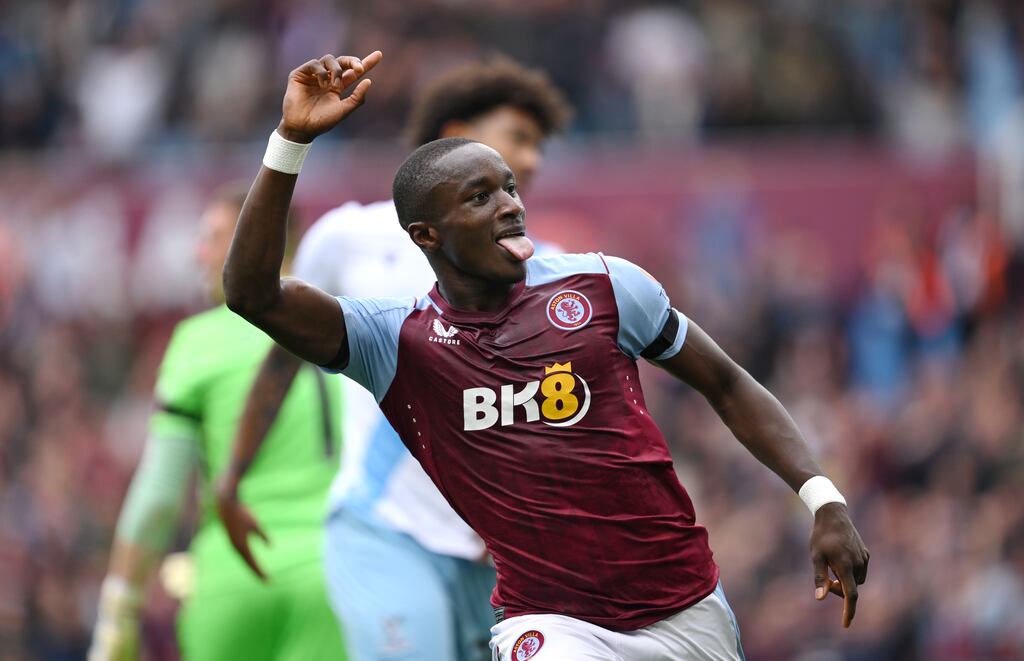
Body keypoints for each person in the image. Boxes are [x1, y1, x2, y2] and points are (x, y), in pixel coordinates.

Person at [223, 52, 869, 660]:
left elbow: (727, 384)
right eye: (480, 198)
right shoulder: (395, 338)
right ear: (427, 234)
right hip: (548, 622)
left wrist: (824, 500)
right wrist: (290, 140)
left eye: (508, 188)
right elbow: (252, 294)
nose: (510, 205)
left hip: (684, 607)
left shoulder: (605, 287)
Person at [216, 56, 571, 660]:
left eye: (537, 148)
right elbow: (279, 358)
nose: (531, 161)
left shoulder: (551, 272)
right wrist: (231, 479)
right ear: (456, 131)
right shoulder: (352, 238)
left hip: (502, 554)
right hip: (384, 531)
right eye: (518, 138)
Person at [89, 187, 348, 661]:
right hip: (338, 575)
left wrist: (119, 608)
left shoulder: (200, 341)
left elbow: (159, 494)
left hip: (234, 575)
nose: (199, 253)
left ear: (256, 238)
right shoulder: (348, 324)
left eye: (213, 237)